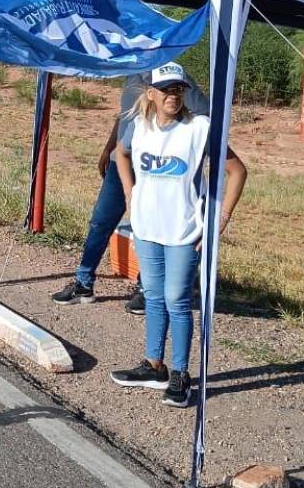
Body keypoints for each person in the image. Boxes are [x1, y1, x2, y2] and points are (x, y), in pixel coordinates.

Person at [110, 61, 247, 408]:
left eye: (179, 89)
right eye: (166, 89)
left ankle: (180, 374)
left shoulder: (200, 128)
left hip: (184, 230)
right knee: (154, 297)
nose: (173, 95)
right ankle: (153, 365)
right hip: (146, 228)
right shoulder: (139, 126)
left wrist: (220, 220)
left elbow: (237, 171)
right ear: (152, 93)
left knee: (177, 300)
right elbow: (120, 154)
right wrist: (129, 193)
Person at [52, 68, 208, 311]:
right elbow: (123, 116)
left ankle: (147, 290)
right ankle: (83, 284)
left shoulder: (177, 78)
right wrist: (109, 148)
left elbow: (203, 115)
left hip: (159, 166)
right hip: (122, 162)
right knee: (100, 221)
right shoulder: (133, 74)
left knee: (151, 228)